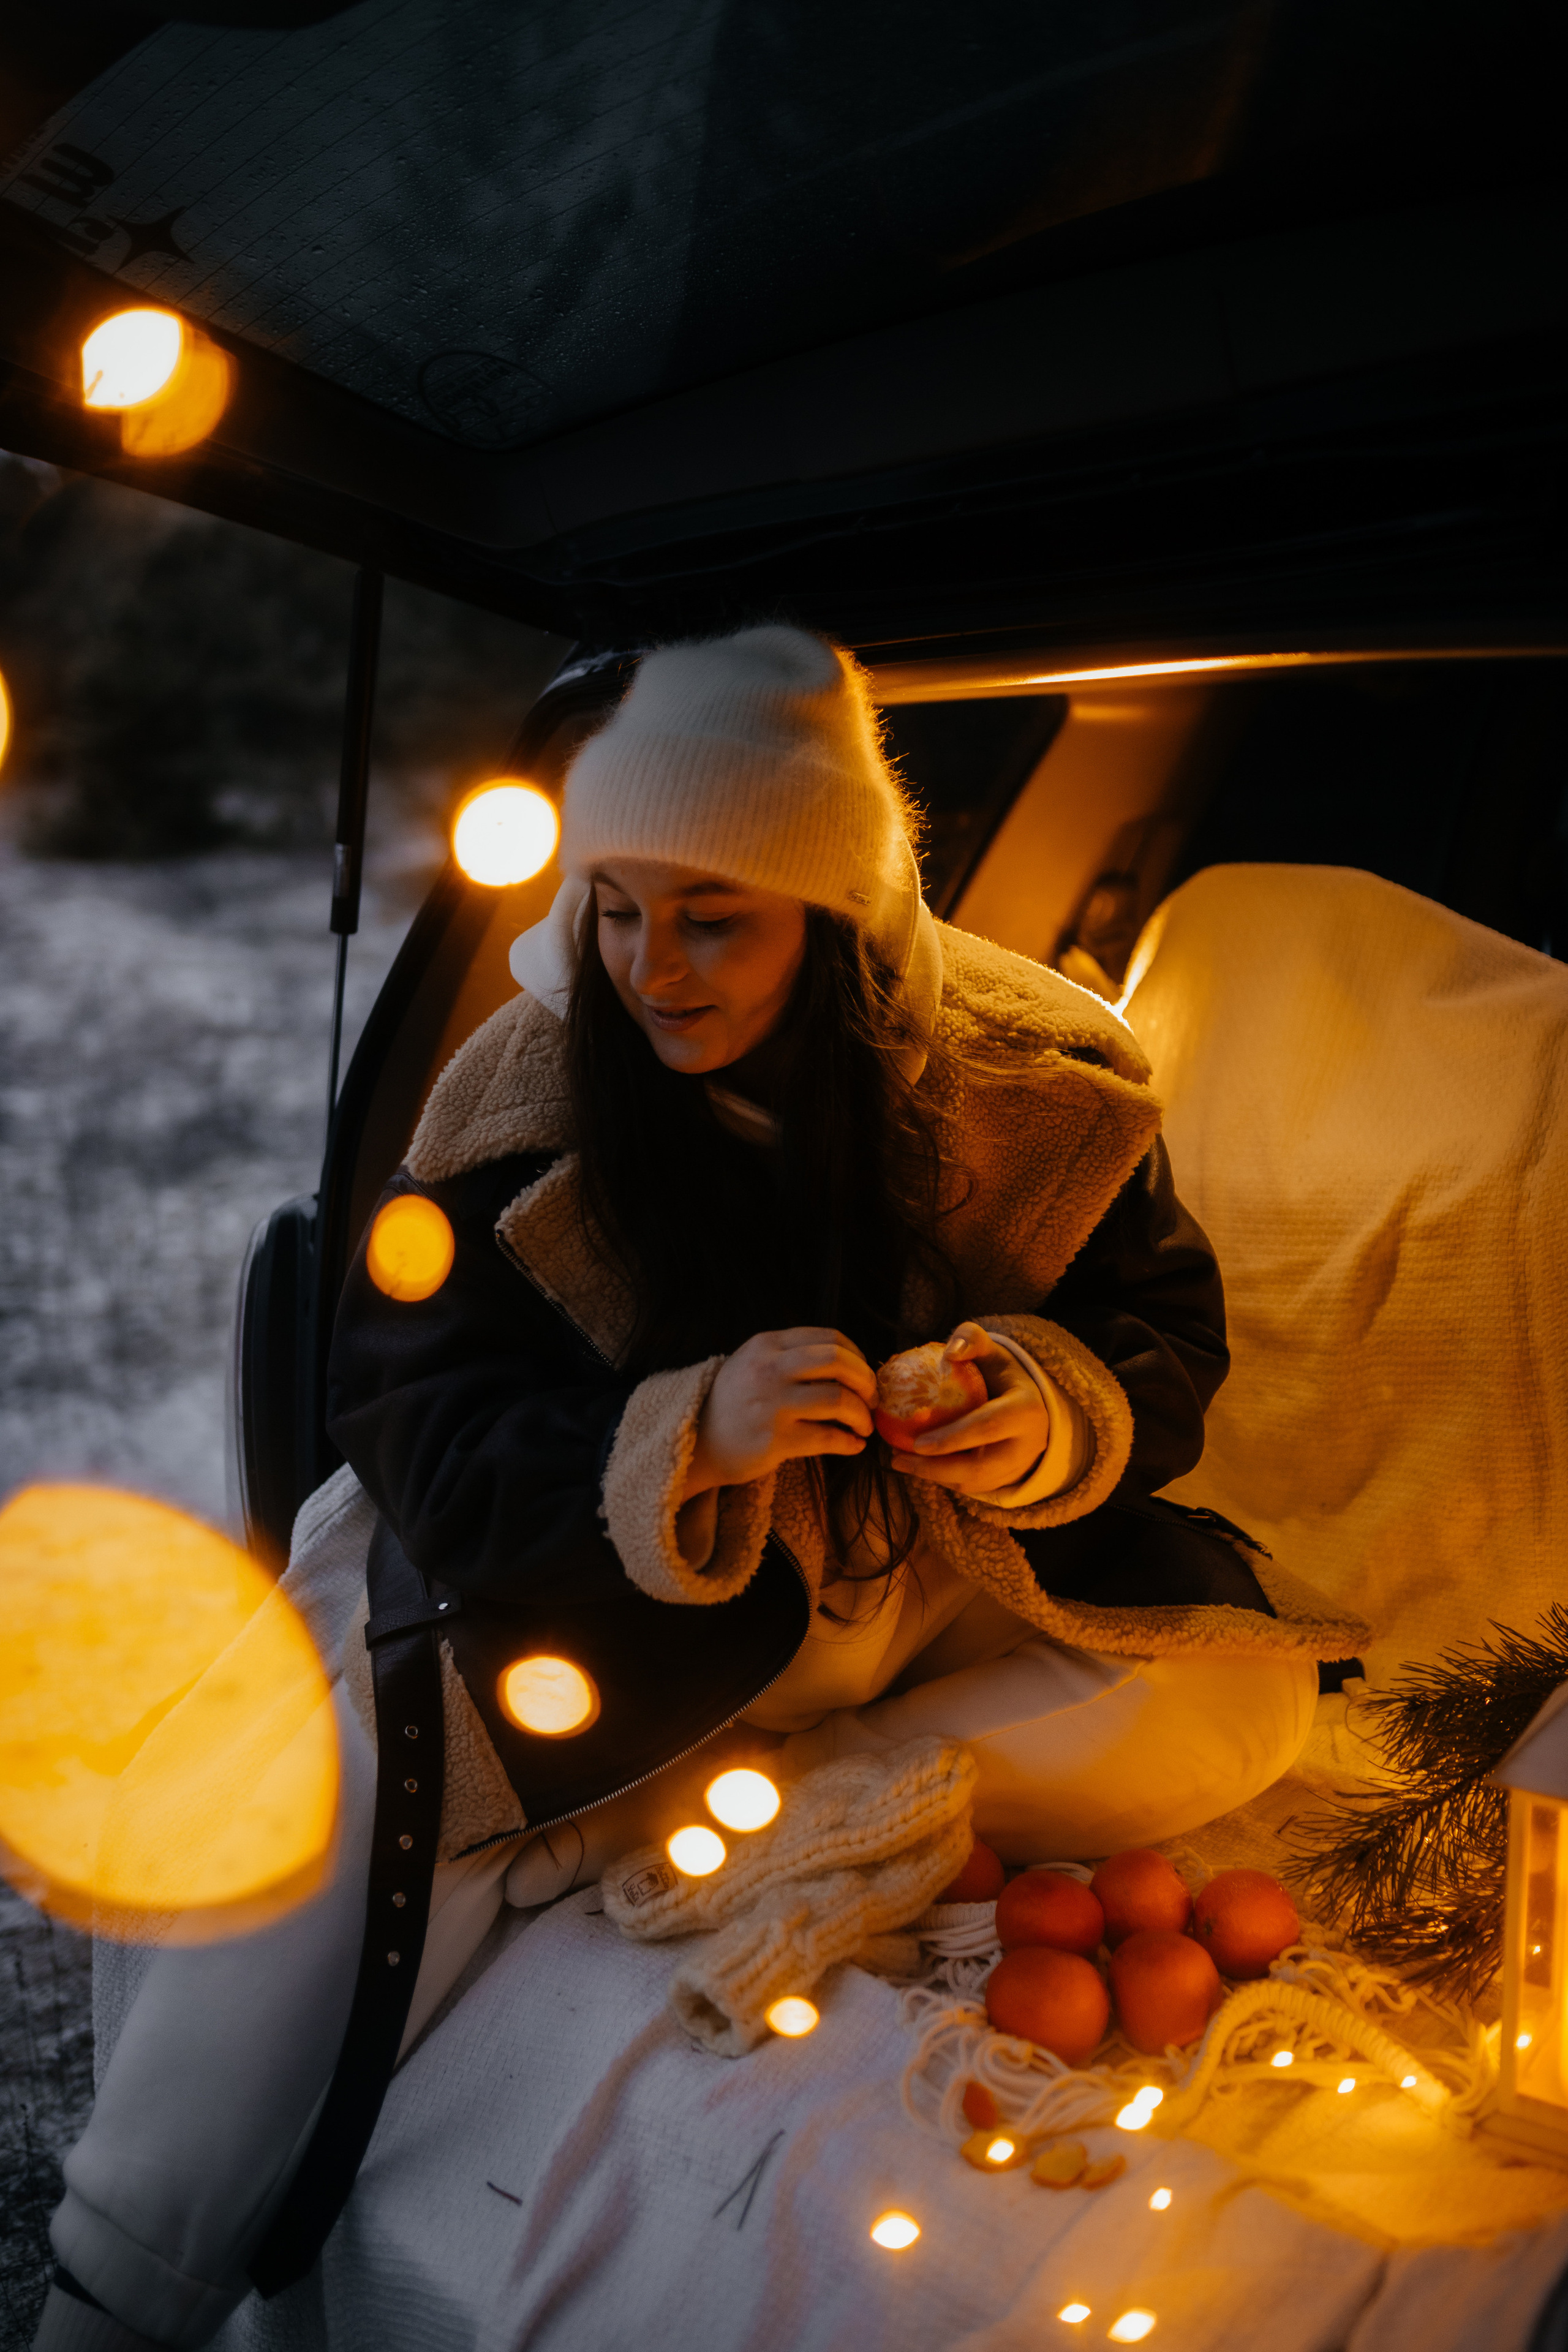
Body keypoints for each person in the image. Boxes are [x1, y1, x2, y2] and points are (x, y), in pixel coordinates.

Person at [36, 625, 1346, 2352]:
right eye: (616, 911)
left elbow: (1161, 1332)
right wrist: (689, 1436)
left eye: (712, 920)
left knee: (1248, 1700)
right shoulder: (512, 1109)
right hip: (608, 1599)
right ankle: (118, 2293)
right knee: (345, 1805)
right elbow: (418, 1426)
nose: (652, 969)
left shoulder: (1042, 1082)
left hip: (921, 1578)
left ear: (839, 919)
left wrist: (1038, 1409)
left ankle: (819, 1808)